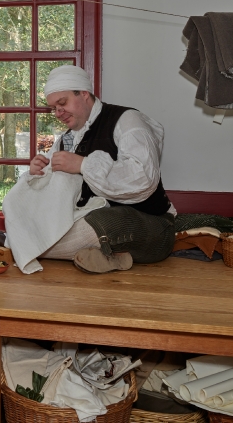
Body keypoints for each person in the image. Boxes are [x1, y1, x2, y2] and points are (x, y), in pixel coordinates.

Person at [20, 65, 175, 273]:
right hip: (93, 219)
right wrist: (36, 172)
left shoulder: (127, 120)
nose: (58, 112)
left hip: (151, 226)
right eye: (53, 108)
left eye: (62, 103)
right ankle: (111, 258)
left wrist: (83, 165)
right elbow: (52, 190)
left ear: (84, 93)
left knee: (99, 224)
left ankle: (17, 245)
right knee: (62, 220)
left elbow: (143, 179)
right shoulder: (66, 139)